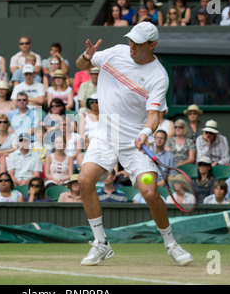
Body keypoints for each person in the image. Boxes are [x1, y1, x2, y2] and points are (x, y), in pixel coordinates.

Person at [75, 22, 193, 266]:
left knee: (150, 192)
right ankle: (101, 244)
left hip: (135, 142)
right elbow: (80, 66)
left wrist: (145, 133)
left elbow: (154, 117)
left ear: (152, 45)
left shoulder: (159, 76)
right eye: (131, 41)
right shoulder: (115, 52)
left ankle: (171, 244)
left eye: (138, 44)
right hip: (105, 136)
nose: (132, 46)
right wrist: (86, 56)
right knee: (84, 180)